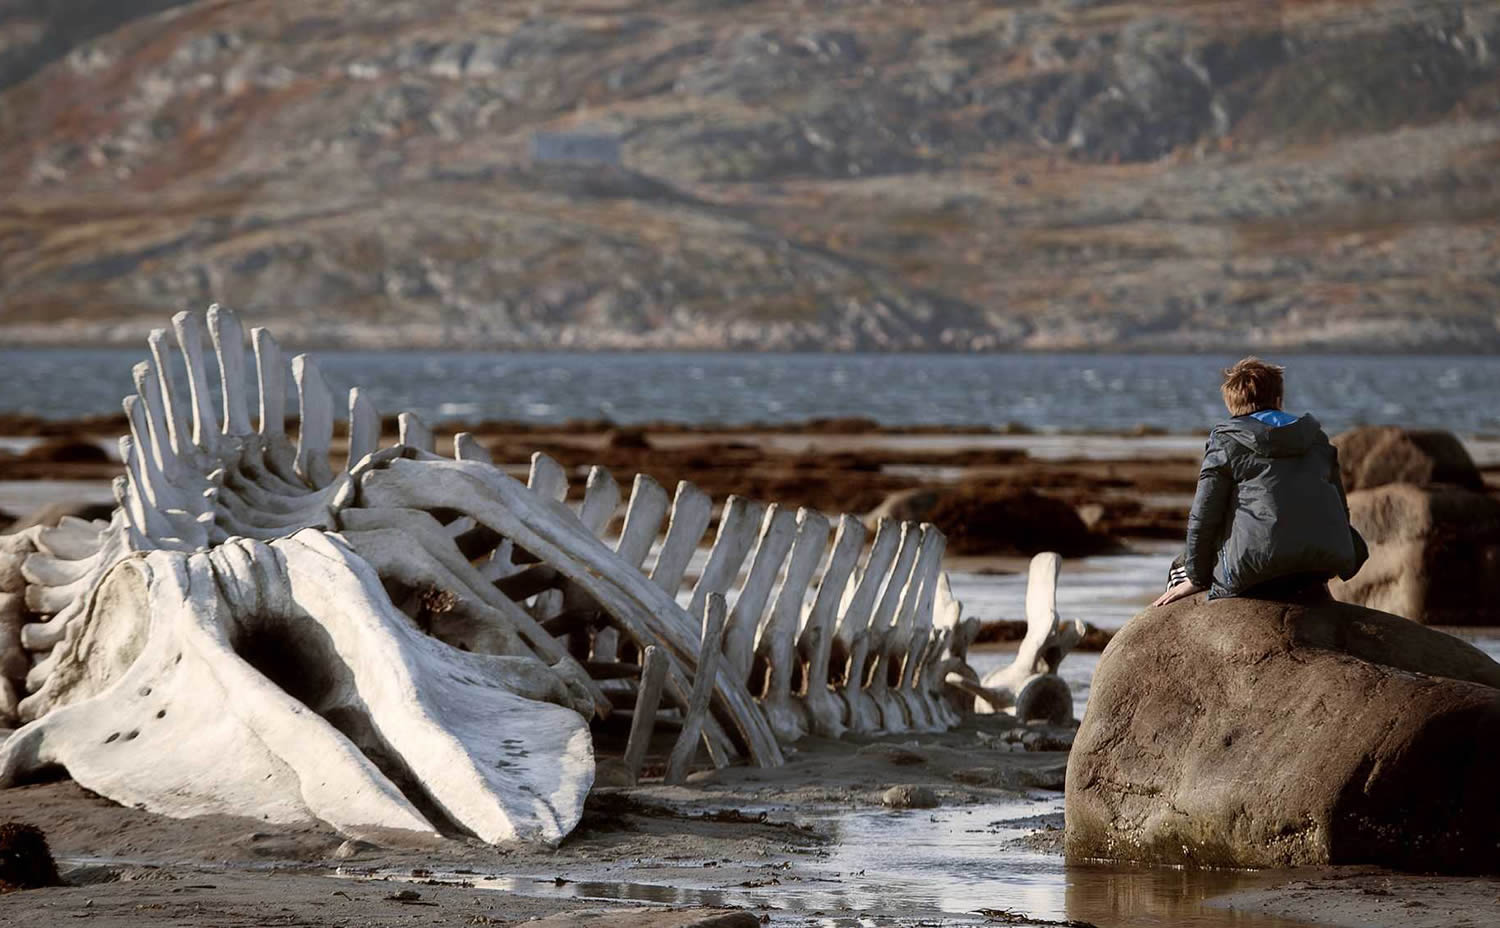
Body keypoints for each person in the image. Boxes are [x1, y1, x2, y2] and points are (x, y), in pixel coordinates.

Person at [1153, 357, 1367, 607]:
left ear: (1232, 404)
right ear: (1278, 399)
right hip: (1322, 566)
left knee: (1179, 570)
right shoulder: (1316, 438)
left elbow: (1203, 518)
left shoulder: (1227, 441)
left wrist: (1198, 578)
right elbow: (1341, 509)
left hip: (1259, 572)